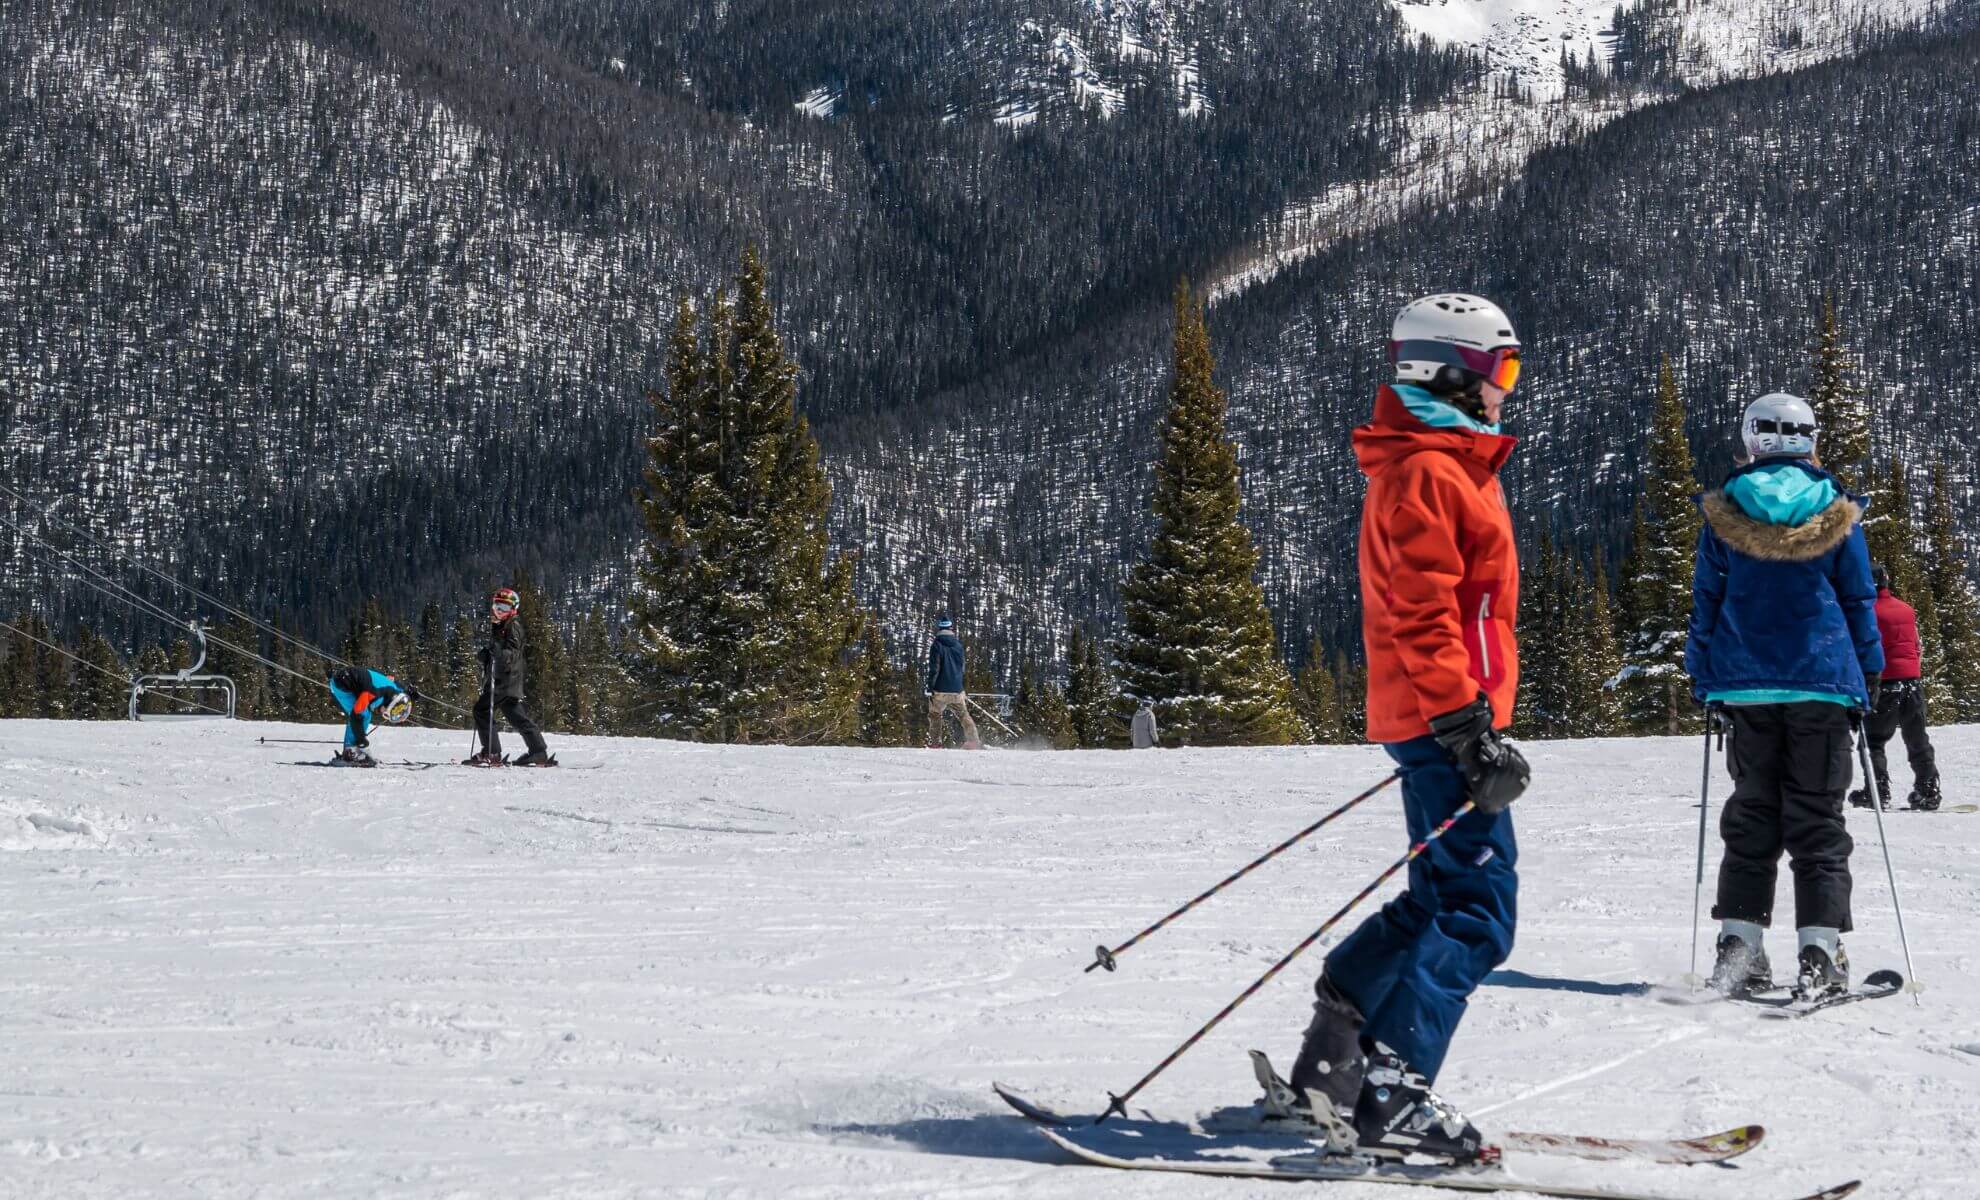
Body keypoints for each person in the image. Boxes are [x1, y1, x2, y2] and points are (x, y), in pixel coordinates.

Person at [1266, 294, 1530, 1164]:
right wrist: (1465, 726)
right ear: (1452, 373)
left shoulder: (1443, 464)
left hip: (1438, 714)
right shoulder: (1428, 473)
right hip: (1442, 717)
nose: (1507, 389)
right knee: (1477, 913)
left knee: (1433, 902)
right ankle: (1393, 1093)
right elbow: (1421, 612)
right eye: (1502, 370)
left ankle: (1333, 1061)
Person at [1684, 393, 1882, 1002]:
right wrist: (1869, 672)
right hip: (1821, 681)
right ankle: (1820, 952)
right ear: (1809, 439)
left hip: (1745, 683)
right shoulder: (1837, 512)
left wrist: (1702, 674)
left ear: (1753, 440)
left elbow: (1707, 600)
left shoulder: (1725, 513)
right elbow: (1857, 599)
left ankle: (1739, 949)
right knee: (1817, 817)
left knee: (1752, 814)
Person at [1850, 565, 1939, 811]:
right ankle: (1928, 789)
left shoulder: (1866, 612)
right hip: (1912, 681)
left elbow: (1861, 648)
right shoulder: (1906, 609)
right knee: (1917, 738)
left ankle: (1877, 790)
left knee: (1873, 741)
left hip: (1884, 683)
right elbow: (1917, 645)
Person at [467, 586, 553, 767]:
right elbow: (498, 652)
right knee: (515, 715)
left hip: (504, 680)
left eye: (504, 607)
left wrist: (498, 653)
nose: (499, 611)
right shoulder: (501, 625)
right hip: (507, 679)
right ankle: (538, 751)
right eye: (497, 606)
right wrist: (487, 655)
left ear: (513, 609)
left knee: (482, 710)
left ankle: (491, 752)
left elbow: (512, 653)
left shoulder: (513, 626)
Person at [326, 665, 414, 767]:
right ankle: (350, 752)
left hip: (351, 679)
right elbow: (356, 715)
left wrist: (411, 695)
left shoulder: (395, 691)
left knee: (365, 713)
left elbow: (399, 689)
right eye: (389, 713)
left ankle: (353, 748)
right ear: (389, 705)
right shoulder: (373, 693)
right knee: (364, 715)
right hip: (341, 685)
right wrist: (361, 740)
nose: (384, 714)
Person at [923, 615, 980, 750]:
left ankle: (936, 743)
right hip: (956, 689)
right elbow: (962, 668)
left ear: (939, 629)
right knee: (963, 715)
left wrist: (930, 687)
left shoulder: (936, 645)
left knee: (935, 714)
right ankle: (973, 741)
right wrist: (958, 684)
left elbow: (934, 669)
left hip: (940, 690)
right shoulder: (958, 646)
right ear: (951, 628)